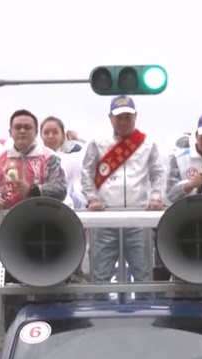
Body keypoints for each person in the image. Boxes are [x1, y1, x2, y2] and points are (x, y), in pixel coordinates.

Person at [80, 96, 166, 291]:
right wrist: (92, 198)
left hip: (139, 218)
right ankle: (99, 311)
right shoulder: (98, 142)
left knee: (143, 276)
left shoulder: (147, 143)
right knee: (100, 277)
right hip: (105, 218)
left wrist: (156, 198)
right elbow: (86, 173)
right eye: (119, 117)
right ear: (110, 118)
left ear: (135, 116)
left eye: (128, 117)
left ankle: (145, 310)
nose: (123, 121)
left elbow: (158, 173)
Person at [0, 109, 68, 212]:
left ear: (36, 132)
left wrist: (32, 190)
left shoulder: (50, 157)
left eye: (27, 127)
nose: (22, 131)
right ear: (10, 132)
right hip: (6, 218)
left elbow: (60, 189)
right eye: (18, 127)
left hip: (42, 217)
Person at [39, 116, 87, 209]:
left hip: (68, 207)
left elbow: (94, 146)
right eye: (46, 132)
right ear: (41, 135)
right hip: (42, 206)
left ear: (62, 136)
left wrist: (78, 137)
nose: (50, 136)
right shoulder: (35, 161)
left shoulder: (72, 158)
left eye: (55, 132)